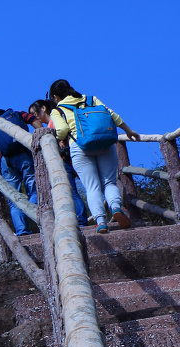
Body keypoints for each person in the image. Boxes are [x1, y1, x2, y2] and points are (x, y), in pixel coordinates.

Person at [47, 79, 141, 233]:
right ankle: (116, 207)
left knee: (92, 186)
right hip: (105, 143)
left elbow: (63, 130)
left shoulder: (58, 110)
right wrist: (128, 130)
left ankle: (101, 221)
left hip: (80, 147)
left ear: (56, 97)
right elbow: (111, 114)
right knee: (110, 182)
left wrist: (57, 138)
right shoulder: (91, 99)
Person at [30, 98, 87, 221]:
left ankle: (81, 220)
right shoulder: (52, 122)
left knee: (71, 191)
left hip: (65, 159)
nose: (34, 118)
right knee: (70, 190)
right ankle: (80, 219)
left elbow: (62, 137)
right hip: (67, 158)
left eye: (34, 114)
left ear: (43, 109)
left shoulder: (54, 120)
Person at [0, 108, 42, 235]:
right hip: (25, 153)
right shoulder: (17, 114)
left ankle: (22, 230)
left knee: (13, 198)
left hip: (7, 160)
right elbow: (33, 119)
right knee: (33, 190)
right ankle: (34, 218)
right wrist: (41, 135)